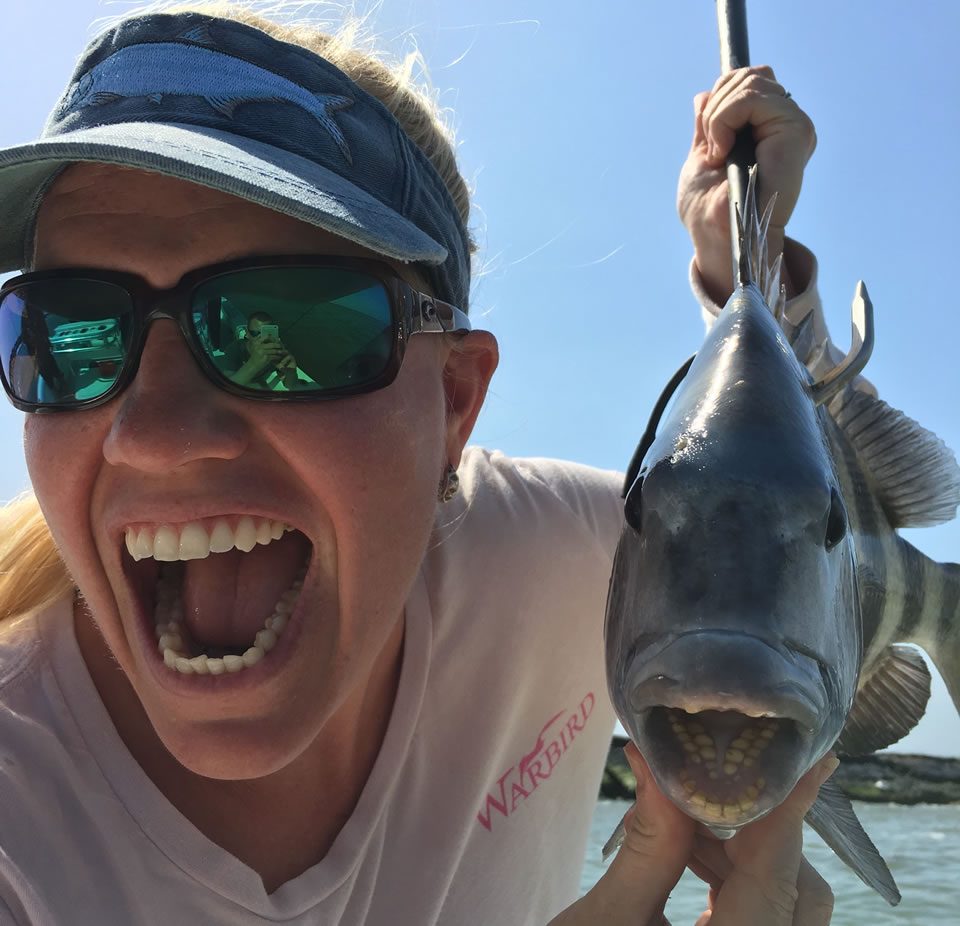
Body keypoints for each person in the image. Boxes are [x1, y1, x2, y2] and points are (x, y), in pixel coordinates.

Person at [0, 3, 839, 924]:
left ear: (454, 401)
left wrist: (747, 279)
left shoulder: (557, 559)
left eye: (289, 331)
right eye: (69, 336)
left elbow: (787, 518)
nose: (150, 436)